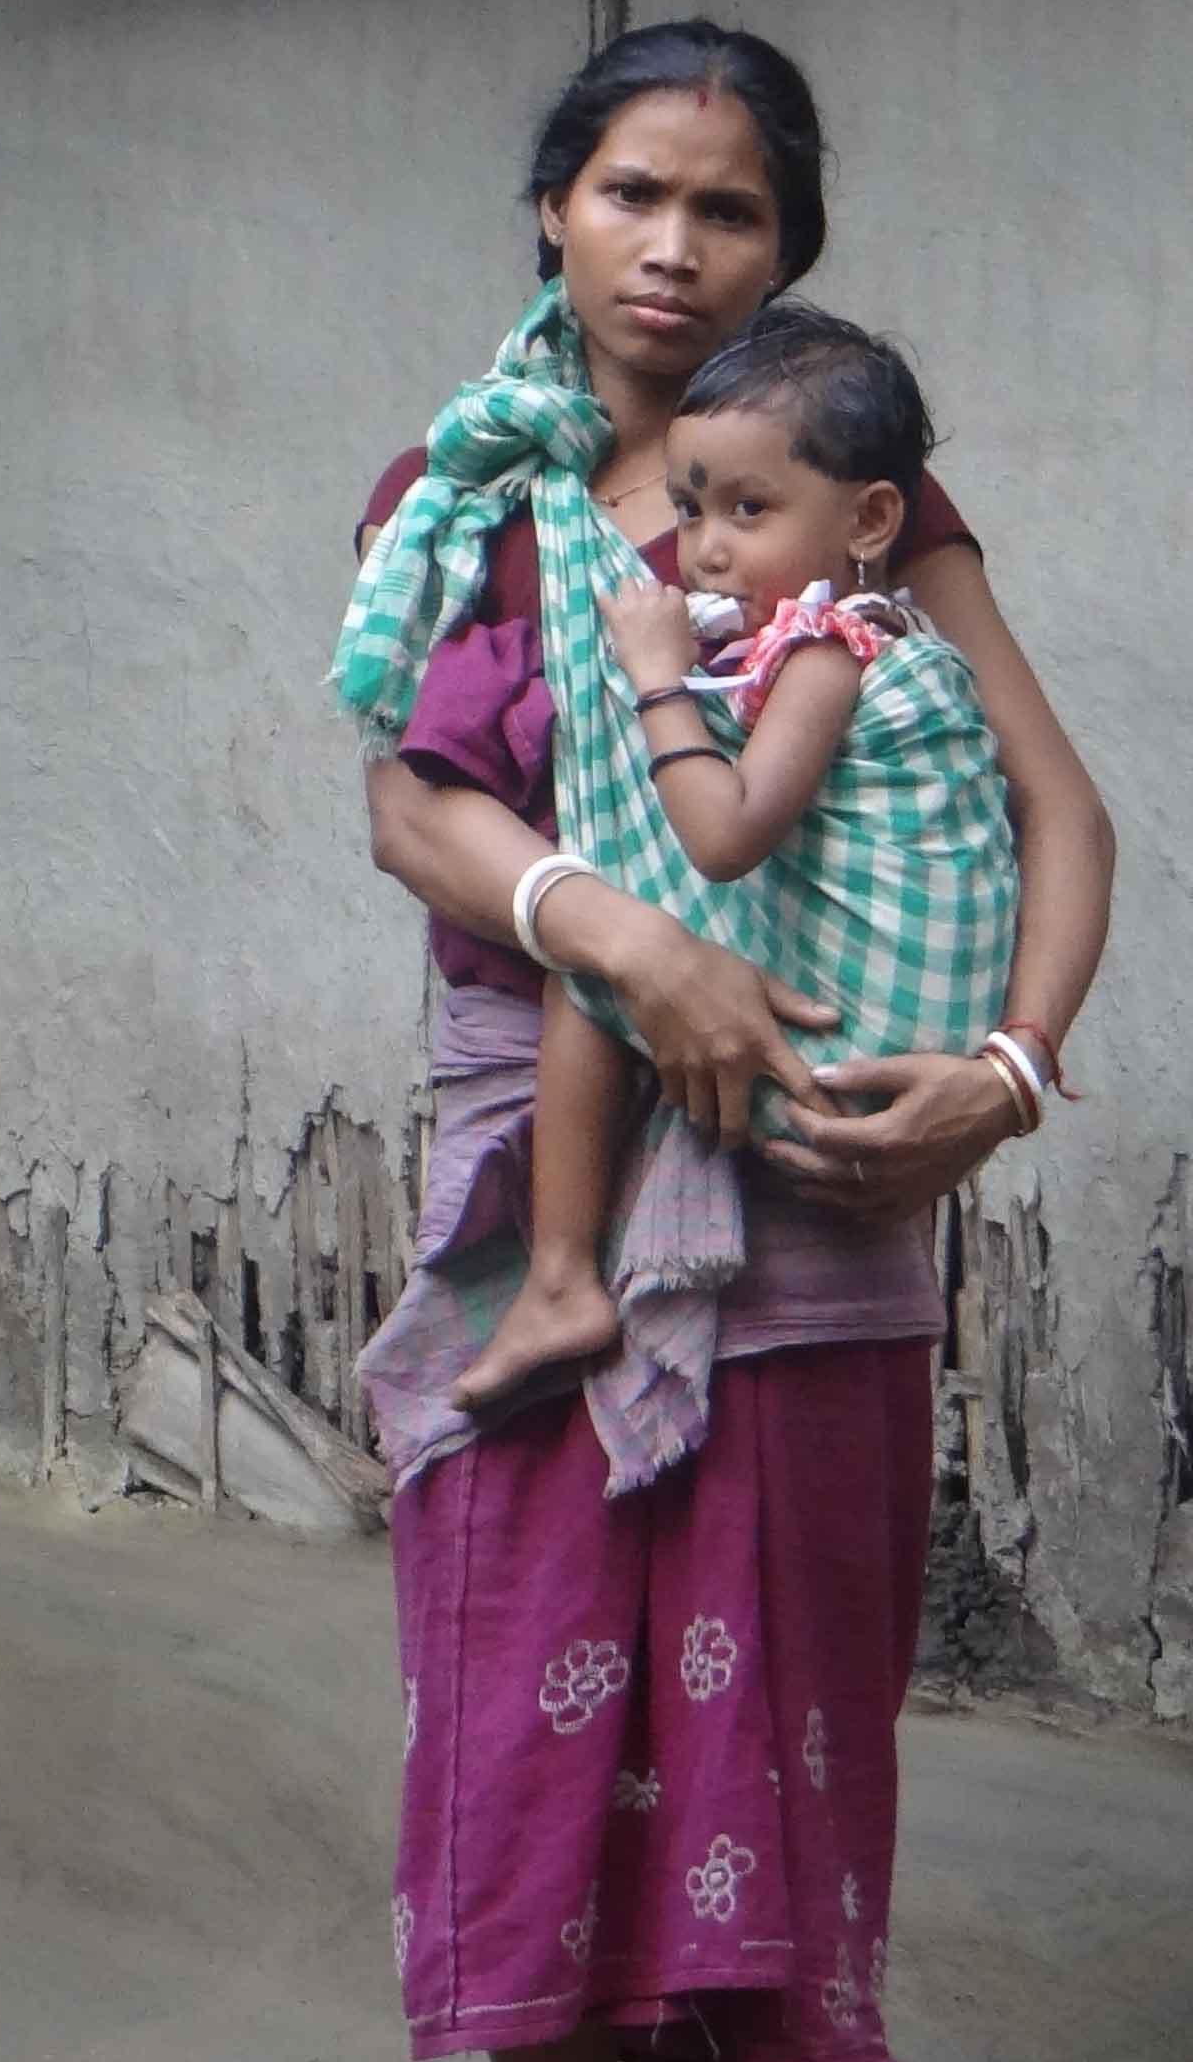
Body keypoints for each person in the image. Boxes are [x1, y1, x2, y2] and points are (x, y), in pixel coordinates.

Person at [344, 22, 1112, 2062]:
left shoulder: (842, 494)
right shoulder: (456, 494)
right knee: (515, 1738)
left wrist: (1010, 1071)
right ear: (552, 210)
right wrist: (627, 942)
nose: (672, 246)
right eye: (630, 194)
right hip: (534, 1177)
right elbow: (407, 803)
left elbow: (1062, 811)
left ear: (787, 245)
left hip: (819, 1169)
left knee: (799, 1737)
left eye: (731, 209)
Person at [438, 307, 1023, 1417]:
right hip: (886, 1053)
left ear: (869, 517)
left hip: (835, 1057)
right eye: (690, 506)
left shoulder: (825, 645)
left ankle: (558, 1276)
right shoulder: (875, 636)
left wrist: (655, 677)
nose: (704, 547)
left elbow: (721, 835)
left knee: (592, 930)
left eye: (747, 510)